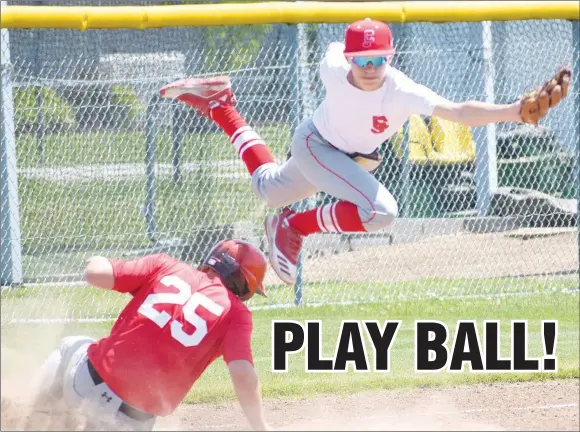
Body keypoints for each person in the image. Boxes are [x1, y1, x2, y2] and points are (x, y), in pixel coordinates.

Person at [160, 18, 570, 286]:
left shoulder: (401, 89)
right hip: (315, 145)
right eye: (363, 60)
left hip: (346, 157)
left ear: (390, 58)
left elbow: (460, 112)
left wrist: (515, 112)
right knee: (383, 212)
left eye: (379, 59)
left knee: (267, 189)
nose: (371, 67)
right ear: (350, 59)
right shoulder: (333, 66)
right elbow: (336, 47)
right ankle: (295, 226)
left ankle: (221, 104)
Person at [31, 239, 272, 431]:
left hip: (83, 385)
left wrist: (96, 260)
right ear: (246, 286)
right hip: (132, 422)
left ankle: (36, 415)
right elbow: (242, 375)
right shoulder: (235, 314)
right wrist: (260, 427)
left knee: (71, 344)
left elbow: (94, 274)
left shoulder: (166, 265)